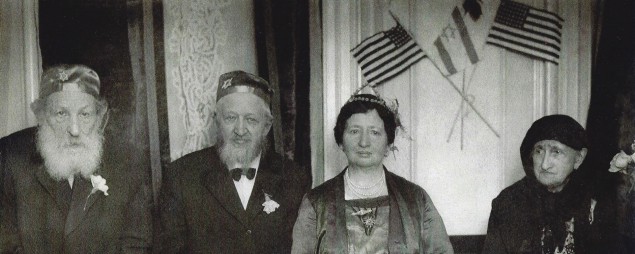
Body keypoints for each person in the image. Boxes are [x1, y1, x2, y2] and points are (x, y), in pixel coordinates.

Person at [0, 64, 152, 253]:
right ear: (42, 115)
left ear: (98, 116)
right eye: (61, 114)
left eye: (85, 114)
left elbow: (135, 246)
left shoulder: (126, 161)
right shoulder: (9, 156)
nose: (74, 130)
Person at [159, 70, 310, 253]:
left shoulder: (294, 178)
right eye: (231, 118)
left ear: (266, 126)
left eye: (251, 120)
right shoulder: (181, 176)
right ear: (217, 121)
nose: (240, 130)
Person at [291, 93, 454, 253]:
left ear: (388, 143)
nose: (364, 142)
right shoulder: (316, 202)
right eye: (354, 131)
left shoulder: (416, 199)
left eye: (374, 132)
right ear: (341, 141)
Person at [483, 114, 621, 253]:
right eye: (539, 151)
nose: (544, 164)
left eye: (556, 152)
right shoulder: (509, 202)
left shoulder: (596, 203)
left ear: (579, 158)